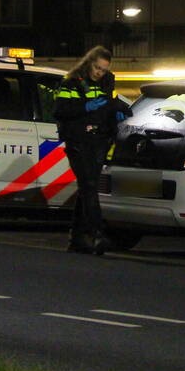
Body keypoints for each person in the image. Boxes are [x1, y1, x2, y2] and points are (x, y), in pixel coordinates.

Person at [55, 45, 130, 254]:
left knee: (87, 188)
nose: (99, 73)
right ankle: (97, 235)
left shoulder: (107, 83)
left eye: (103, 70)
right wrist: (85, 107)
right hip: (78, 142)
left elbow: (112, 103)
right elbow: (61, 110)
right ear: (89, 63)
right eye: (97, 68)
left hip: (98, 141)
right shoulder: (71, 83)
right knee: (89, 186)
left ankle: (77, 238)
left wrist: (120, 111)